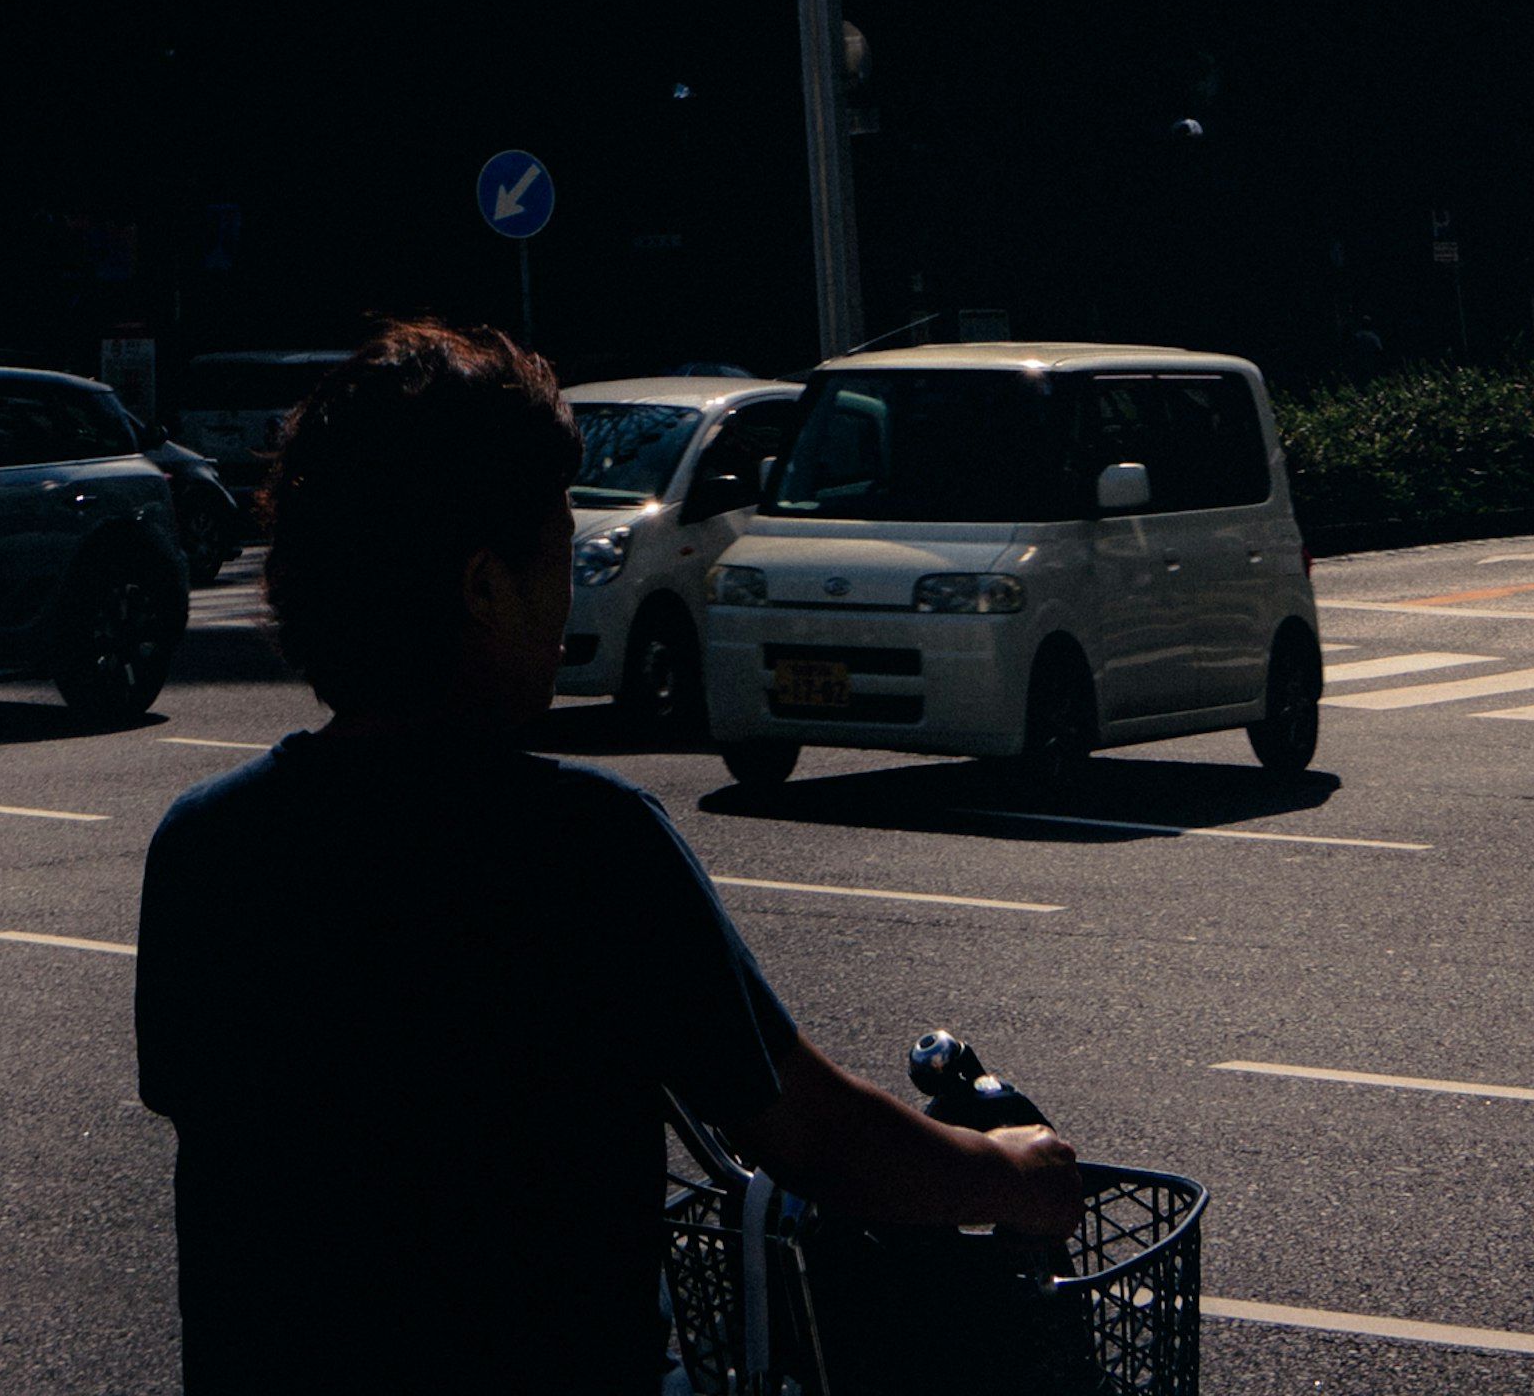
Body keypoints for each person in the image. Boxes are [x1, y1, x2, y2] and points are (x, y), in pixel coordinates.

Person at [135, 320, 1080, 1396]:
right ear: (484, 587)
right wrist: (1011, 1175)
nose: (565, 596)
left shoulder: (207, 849)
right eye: (551, 549)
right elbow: (811, 1133)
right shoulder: (583, 846)